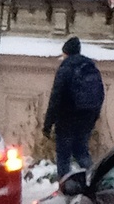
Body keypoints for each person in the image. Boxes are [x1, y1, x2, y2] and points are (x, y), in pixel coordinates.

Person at [42, 38, 104, 173]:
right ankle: (93, 177)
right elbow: (100, 94)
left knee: (63, 156)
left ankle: (64, 185)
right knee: (81, 152)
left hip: (66, 119)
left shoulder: (65, 68)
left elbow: (55, 98)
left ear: (66, 52)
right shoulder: (90, 67)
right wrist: (93, 117)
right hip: (86, 118)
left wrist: (48, 124)